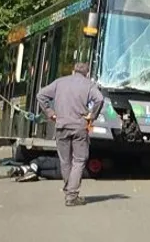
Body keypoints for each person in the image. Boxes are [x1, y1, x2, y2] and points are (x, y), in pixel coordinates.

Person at [35, 61, 105, 206]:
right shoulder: (89, 85)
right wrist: (92, 116)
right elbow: (100, 99)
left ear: (73, 71)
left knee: (65, 160)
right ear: (87, 74)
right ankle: (72, 195)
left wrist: (50, 113)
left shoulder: (59, 82)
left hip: (61, 125)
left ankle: (69, 190)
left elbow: (41, 95)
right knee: (79, 160)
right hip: (79, 126)